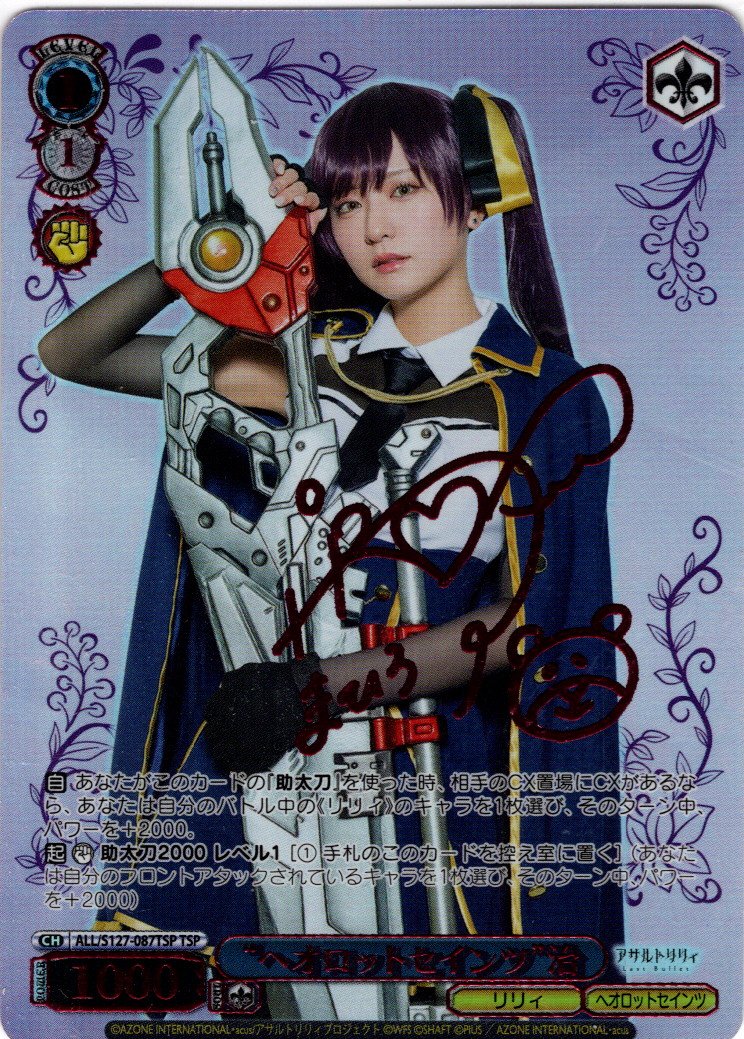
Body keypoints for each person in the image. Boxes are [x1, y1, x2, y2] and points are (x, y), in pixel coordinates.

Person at [39, 82, 623, 961]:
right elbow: (76, 351)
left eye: (403, 189)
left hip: (435, 777)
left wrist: (324, 687)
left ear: (473, 199)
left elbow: (531, 620)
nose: (375, 227)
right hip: (275, 755)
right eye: (347, 203)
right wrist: (215, 241)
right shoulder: (307, 366)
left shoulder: (548, 396)